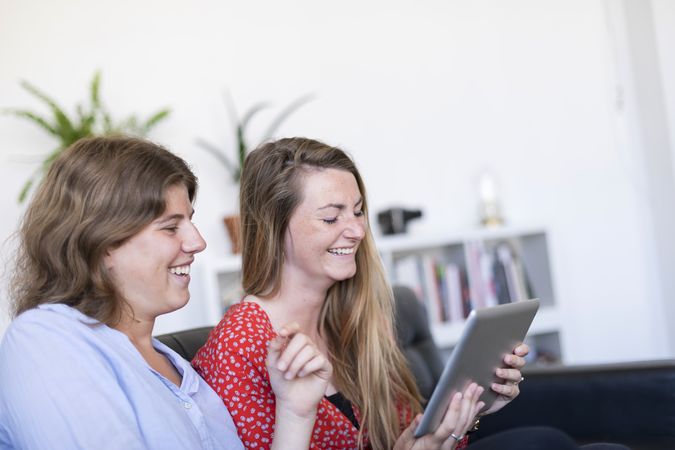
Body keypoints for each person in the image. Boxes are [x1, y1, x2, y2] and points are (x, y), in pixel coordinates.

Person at [193, 137, 527, 450]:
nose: (356, 231)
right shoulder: (239, 346)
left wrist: (476, 408)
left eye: (357, 211)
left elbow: (404, 438)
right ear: (274, 228)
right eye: (330, 218)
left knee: (541, 437)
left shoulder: (359, 315)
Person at [0, 136, 332, 450]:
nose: (198, 242)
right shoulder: (46, 339)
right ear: (100, 243)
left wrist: (295, 413)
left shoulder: (186, 376)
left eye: (189, 221)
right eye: (171, 227)